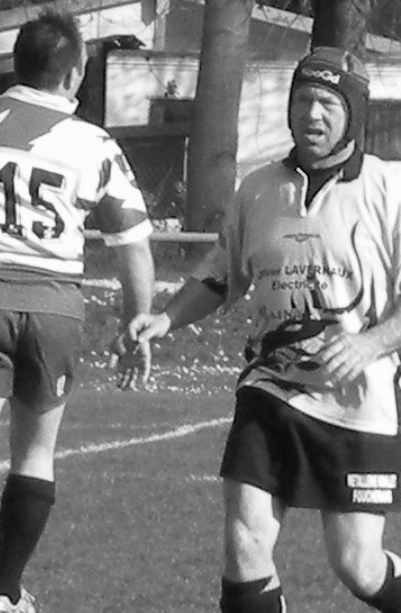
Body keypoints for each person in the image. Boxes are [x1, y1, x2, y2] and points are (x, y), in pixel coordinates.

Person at [122, 46, 401, 613]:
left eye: (327, 103)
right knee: (245, 543)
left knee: (358, 565)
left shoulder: (389, 189)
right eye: (302, 100)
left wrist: (370, 343)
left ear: (353, 113)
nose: (312, 114)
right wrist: (165, 319)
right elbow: (221, 276)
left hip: (358, 402)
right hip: (270, 388)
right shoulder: (256, 189)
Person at [0, 11, 155, 613]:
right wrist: (137, 322)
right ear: (75, 72)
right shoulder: (95, 144)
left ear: (16, 62)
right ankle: (7, 592)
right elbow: (133, 243)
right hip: (56, 307)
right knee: (35, 452)